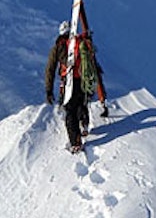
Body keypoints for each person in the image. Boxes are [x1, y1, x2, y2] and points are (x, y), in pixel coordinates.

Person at [45, 21, 108, 152]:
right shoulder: (82, 43)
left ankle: (75, 141)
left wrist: (49, 90)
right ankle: (84, 123)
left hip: (68, 82)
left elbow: (50, 68)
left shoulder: (58, 46)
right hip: (82, 80)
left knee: (70, 110)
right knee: (81, 102)